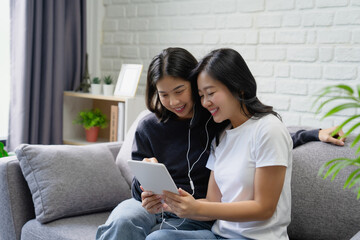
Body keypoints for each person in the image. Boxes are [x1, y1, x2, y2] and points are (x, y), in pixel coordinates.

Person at [96, 48, 345, 240]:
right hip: (186, 213)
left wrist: (313, 134)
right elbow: (215, 194)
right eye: (163, 94)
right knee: (126, 221)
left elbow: (265, 143)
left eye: (181, 90)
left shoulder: (227, 124)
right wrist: (151, 192)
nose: (173, 101)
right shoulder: (218, 133)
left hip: (214, 220)